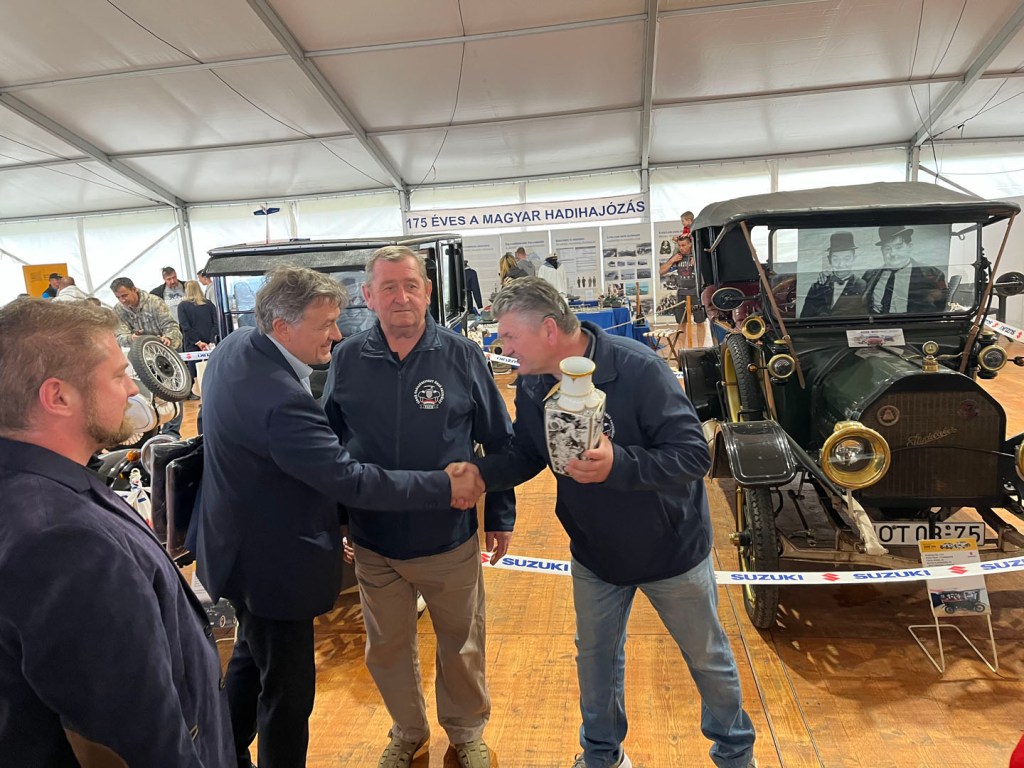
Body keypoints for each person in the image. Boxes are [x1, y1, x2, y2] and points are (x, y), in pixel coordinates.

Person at [196, 265, 484, 768]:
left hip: (232, 549)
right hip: (275, 566)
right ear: (282, 326)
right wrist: (444, 485)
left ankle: (222, 752)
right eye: (325, 324)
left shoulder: (234, 348)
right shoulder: (284, 401)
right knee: (288, 695)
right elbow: (350, 479)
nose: (335, 333)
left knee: (250, 660)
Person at [473, 277, 757, 768]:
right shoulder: (536, 380)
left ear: (548, 330)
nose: (504, 347)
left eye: (511, 336)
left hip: (671, 552)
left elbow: (694, 455)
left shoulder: (638, 368)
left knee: (707, 659)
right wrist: (476, 476)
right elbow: (527, 453)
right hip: (596, 554)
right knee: (596, 662)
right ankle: (601, 757)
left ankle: (735, 756)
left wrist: (619, 465)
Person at [0, 298, 233, 767]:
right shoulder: (62, 536)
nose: (131, 387)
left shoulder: (36, 490)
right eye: (117, 374)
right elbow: (130, 734)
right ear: (58, 396)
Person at [322, 246, 515, 768]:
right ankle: (408, 731)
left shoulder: (462, 355)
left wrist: (500, 515)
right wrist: (338, 517)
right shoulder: (347, 358)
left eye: (411, 285)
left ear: (428, 292)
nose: (401, 297)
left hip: (448, 536)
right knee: (386, 648)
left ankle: (466, 733)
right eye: (388, 287)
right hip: (374, 541)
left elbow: (499, 442)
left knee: (462, 643)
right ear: (368, 297)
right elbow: (329, 445)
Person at [110, 276, 185, 438]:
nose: (122, 300)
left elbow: (171, 326)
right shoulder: (118, 310)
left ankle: (171, 433)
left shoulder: (155, 302)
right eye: (118, 297)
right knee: (145, 396)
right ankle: (151, 430)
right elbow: (119, 336)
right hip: (139, 360)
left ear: (134, 289)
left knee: (173, 393)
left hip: (164, 354)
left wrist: (169, 338)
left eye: (124, 295)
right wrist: (131, 338)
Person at [864, 226, 947, 314]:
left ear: (910, 247)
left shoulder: (932, 274)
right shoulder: (870, 275)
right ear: (882, 251)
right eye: (887, 249)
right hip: (878, 322)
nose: (893, 253)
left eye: (898, 247)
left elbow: (942, 306)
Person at [800, 231, 868, 318]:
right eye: (836, 259)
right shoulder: (818, 287)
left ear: (854, 259)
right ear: (829, 259)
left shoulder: (862, 286)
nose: (841, 264)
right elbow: (805, 317)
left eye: (846, 259)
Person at [179, 279, 220, 389]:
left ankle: (197, 391)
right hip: (209, 344)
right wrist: (211, 341)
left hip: (192, 345)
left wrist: (198, 342)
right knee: (211, 371)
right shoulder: (209, 304)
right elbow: (216, 323)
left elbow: (185, 327)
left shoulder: (182, 306)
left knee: (196, 373)